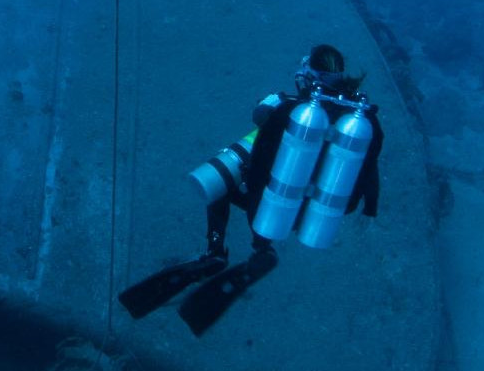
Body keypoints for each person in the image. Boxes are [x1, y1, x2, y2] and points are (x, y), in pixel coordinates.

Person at [118, 44, 384, 335]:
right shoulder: (363, 121)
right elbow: (369, 170)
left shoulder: (289, 111)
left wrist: (247, 177)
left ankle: (219, 251)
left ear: (310, 75)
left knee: (222, 178)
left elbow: (259, 166)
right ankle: (259, 252)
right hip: (321, 212)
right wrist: (370, 209)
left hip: (275, 209)